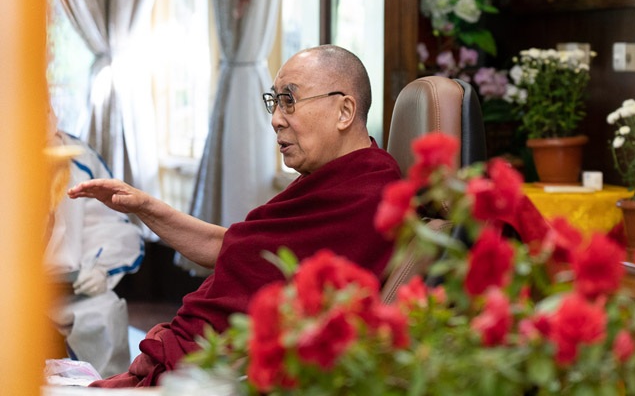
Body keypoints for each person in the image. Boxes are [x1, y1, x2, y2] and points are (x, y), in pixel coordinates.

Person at [67, 45, 403, 387]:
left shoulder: (369, 193)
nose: (275, 119)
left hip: (222, 374)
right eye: (274, 102)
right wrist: (142, 205)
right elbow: (233, 247)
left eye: (289, 101)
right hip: (200, 358)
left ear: (344, 111)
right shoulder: (327, 180)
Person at [45, 111, 145, 379]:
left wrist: (100, 267)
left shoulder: (77, 157)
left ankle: (107, 386)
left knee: (105, 311)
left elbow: (109, 224)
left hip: (67, 287)